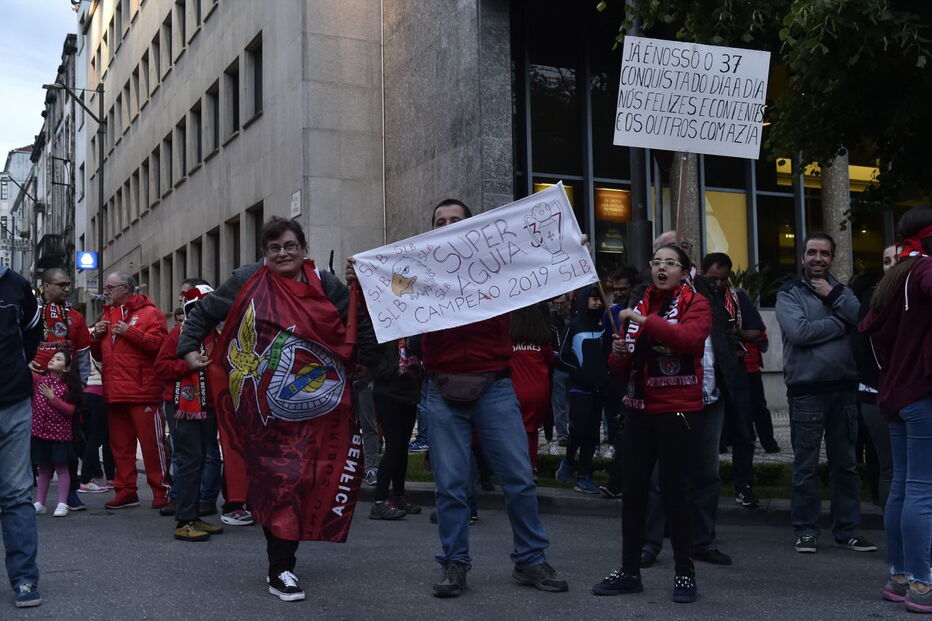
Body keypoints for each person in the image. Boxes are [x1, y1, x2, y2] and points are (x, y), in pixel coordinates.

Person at [365, 198, 568, 598]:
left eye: (455, 219)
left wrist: (566, 247)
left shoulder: (498, 265)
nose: (447, 224)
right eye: (440, 220)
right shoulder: (417, 272)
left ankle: (530, 560)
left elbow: (543, 263)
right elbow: (389, 297)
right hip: (442, 390)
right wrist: (369, 275)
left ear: (471, 227)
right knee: (451, 486)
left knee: (518, 480)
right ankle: (454, 564)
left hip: (495, 387)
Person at [180, 216, 379, 601]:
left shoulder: (325, 284)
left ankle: (285, 555)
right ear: (265, 254)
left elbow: (357, 321)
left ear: (304, 249)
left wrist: (367, 361)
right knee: (279, 484)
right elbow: (203, 313)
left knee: (308, 481)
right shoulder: (246, 281)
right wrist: (189, 350)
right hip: (262, 413)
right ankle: (281, 568)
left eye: (290, 246)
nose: (282, 253)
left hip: (318, 410)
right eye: (274, 248)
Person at [592, 243, 711, 604]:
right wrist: (617, 355)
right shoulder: (639, 303)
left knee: (675, 493)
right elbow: (621, 367)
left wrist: (648, 323)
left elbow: (690, 340)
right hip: (639, 408)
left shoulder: (696, 303)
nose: (662, 268)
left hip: (677, 409)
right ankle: (629, 571)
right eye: (656, 261)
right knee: (633, 493)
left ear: (684, 271)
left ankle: (685, 573)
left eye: (670, 263)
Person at [775, 232, 876, 554]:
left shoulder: (841, 292)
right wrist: (839, 323)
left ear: (832, 258)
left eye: (824, 254)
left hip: (844, 390)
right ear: (803, 257)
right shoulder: (789, 293)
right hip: (806, 390)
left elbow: (862, 321)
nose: (818, 259)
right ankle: (806, 530)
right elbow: (800, 332)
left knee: (845, 465)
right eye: (812, 253)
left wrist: (834, 296)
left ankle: (848, 530)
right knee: (805, 465)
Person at [860, 206, 932, 610]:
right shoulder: (922, 269)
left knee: (904, 488)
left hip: (895, 396)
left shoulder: (895, 276)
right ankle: (923, 585)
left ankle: (900, 577)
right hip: (920, 396)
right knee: (922, 490)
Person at [91, 273, 170, 510]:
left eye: (110, 287)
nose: (105, 291)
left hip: (143, 391)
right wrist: (96, 337)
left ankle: (162, 491)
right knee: (121, 448)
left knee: (152, 446)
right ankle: (125, 491)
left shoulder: (150, 313)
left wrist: (129, 332)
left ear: (126, 289)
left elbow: (160, 347)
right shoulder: (108, 315)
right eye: (105, 288)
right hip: (116, 392)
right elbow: (99, 356)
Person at [156, 284, 225, 541]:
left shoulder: (216, 335)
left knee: (202, 459)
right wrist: (188, 365)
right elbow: (161, 367)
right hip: (182, 406)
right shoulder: (178, 333)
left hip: (208, 407)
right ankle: (185, 519)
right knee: (189, 461)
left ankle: (194, 515)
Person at [700, 252, 764, 508]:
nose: (718, 285)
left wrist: (736, 332)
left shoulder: (738, 297)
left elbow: (757, 332)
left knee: (744, 431)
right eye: (713, 279)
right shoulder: (694, 297)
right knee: (706, 435)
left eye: (723, 280)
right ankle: (703, 486)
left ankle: (744, 485)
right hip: (706, 371)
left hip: (736, 371)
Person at [0, 263, 43, 607]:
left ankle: (25, 579)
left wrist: (14, 373)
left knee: (16, 493)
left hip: (13, 402)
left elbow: (31, 335)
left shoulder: (17, 286)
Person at [32, 268, 92, 513]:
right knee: (31, 443)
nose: (67, 289)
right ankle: (30, 494)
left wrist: (81, 386)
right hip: (33, 386)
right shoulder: (33, 313)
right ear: (45, 286)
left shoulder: (76, 317)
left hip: (66, 388)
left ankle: (71, 494)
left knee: (70, 444)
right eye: (61, 284)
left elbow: (83, 355)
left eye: (68, 284)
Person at [852, 245, 897, 508]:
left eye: (897, 259)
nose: (891, 265)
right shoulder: (873, 300)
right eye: (886, 260)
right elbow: (863, 347)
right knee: (889, 469)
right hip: (877, 393)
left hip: (910, 395)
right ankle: (895, 541)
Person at [556, 285, 611, 494]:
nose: (597, 302)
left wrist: (605, 376)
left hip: (599, 388)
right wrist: (578, 374)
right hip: (579, 388)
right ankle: (569, 459)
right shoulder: (574, 326)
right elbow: (562, 357)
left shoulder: (604, 327)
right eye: (593, 298)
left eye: (600, 299)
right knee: (578, 430)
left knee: (592, 434)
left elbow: (608, 356)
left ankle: (584, 475)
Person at [369, 336, 423, 520]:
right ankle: (379, 500)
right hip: (388, 392)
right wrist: (391, 370)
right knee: (393, 446)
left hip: (409, 391)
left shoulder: (413, 330)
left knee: (402, 446)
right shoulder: (384, 328)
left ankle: (399, 494)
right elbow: (370, 354)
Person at [31, 351, 83, 518]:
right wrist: (27, 365)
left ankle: (62, 502)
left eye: (59, 359)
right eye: (53, 358)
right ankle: (40, 502)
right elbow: (26, 374)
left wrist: (52, 397)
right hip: (40, 433)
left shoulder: (67, 387)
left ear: (67, 368)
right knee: (43, 468)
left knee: (62, 467)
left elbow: (69, 410)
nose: (53, 360)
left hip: (60, 435)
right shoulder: (40, 380)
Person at [509, 303, 555, 473]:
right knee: (532, 431)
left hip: (515, 390)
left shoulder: (509, 340)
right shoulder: (543, 341)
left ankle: (514, 466)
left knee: (512, 431)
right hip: (539, 392)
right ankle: (531, 465)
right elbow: (551, 361)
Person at [78, 352, 114, 493]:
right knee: (105, 439)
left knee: (91, 438)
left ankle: (94, 474)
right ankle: (89, 478)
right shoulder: (104, 342)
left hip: (86, 391)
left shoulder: (86, 343)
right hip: (101, 391)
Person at [548, 294, 572, 451]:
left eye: (562, 303)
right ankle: (562, 436)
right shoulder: (550, 320)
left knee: (573, 403)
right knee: (559, 404)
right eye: (556, 303)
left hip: (573, 367)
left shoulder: (574, 318)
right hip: (558, 368)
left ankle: (574, 432)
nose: (559, 306)